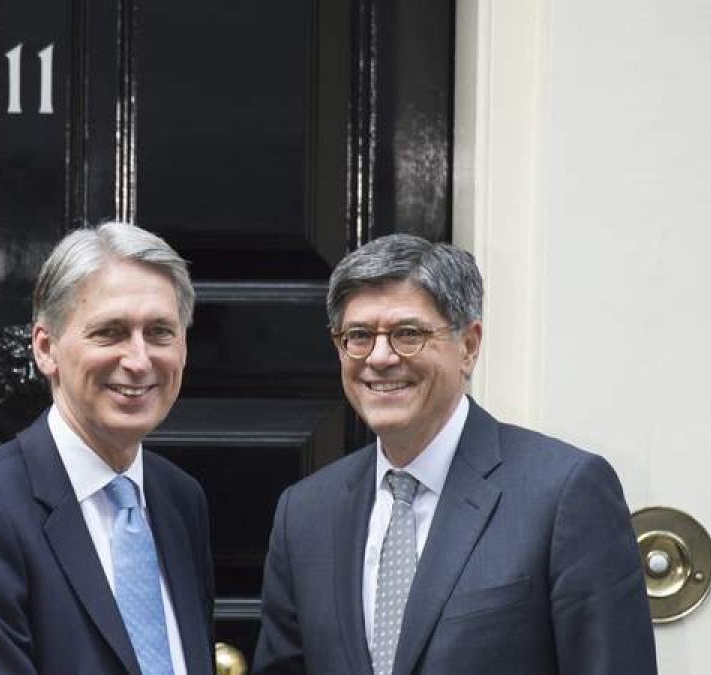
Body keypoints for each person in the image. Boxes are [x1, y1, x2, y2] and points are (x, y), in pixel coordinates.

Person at [253, 234, 656, 675]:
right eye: (359, 336)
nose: (381, 357)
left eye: (408, 334)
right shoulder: (306, 513)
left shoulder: (564, 494)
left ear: (468, 346)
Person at [0, 221, 215, 674]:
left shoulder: (180, 499)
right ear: (45, 349)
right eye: (110, 333)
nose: (138, 360)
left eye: (159, 332)